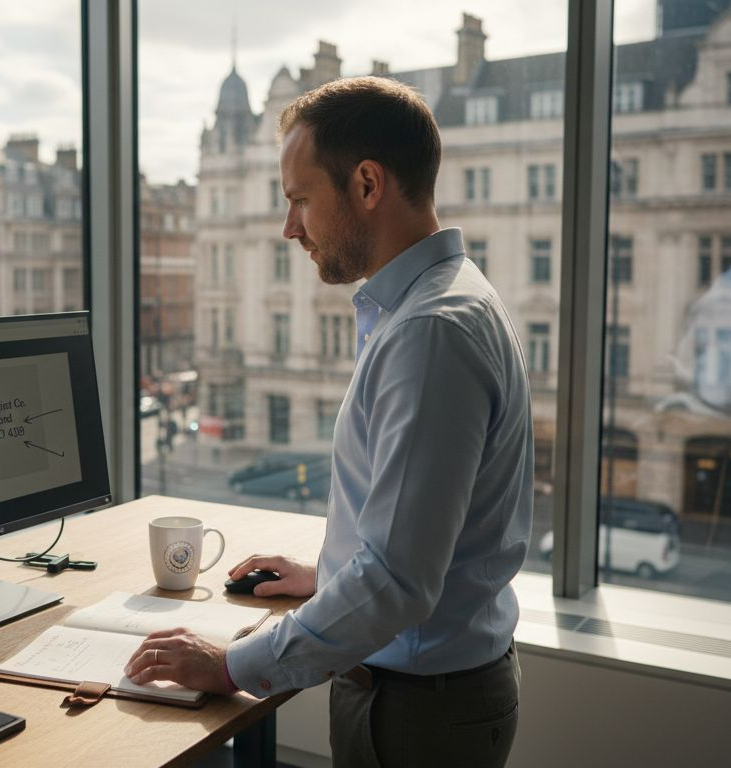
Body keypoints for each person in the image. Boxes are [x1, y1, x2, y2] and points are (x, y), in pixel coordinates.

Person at [124, 75, 533, 767]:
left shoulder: (430, 332)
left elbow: (399, 584)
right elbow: (420, 537)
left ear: (368, 185)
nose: (290, 228)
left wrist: (227, 666)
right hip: (428, 693)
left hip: (417, 713)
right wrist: (332, 570)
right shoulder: (438, 302)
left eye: (300, 200)